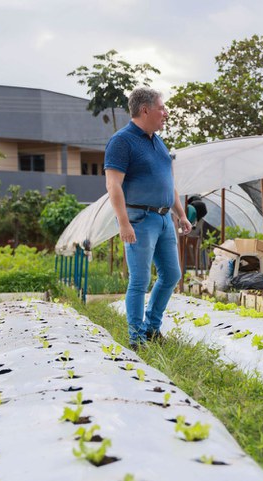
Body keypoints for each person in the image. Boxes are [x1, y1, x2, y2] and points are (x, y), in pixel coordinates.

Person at [104, 87, 192, 347]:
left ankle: (152, 328)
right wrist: (123, 223)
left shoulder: (157, 141)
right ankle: (136, 337)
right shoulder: (122, 141)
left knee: (172, 275)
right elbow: (113, 185)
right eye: (161, 108)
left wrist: (181, 215)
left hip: (165, 220)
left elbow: (168, 182)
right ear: (145, 110)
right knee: (140, 280)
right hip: (140, 219)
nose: (165, 113)